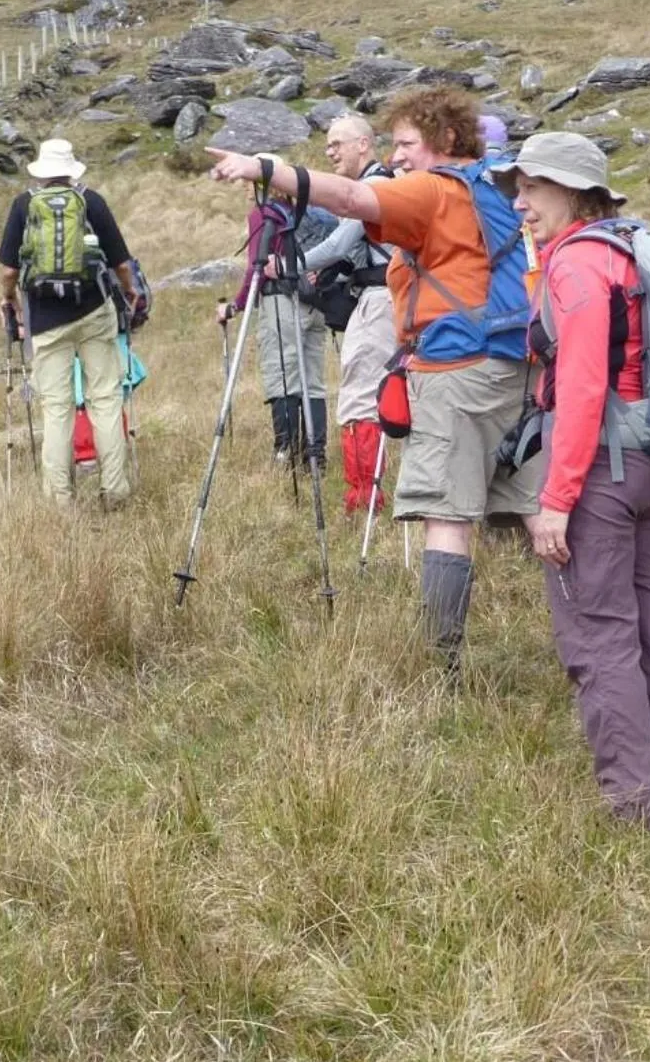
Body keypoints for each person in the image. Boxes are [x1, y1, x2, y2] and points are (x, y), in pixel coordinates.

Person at [206, 84, 539, 678]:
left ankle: (441, 667)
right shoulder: (497, 183)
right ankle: (591, 631)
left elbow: (354, 198)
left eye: (407, 142)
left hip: (457, 369)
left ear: (444, 139)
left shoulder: (435, 190)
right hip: (515, 362)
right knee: (538, 510)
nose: (400, 155)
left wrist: (268, 170)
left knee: (447, 517)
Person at [505, 132, 650, 825]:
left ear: (572, 192)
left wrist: (554, 500)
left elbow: (581, 384)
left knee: (600, 640)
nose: (521, 202)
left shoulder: (575, 267)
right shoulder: (631, 250)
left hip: (600, 472)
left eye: (533, 188)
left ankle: (635, 810)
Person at [0, 139, 141, 503]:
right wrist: (131, 291)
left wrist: (8, 300)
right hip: (94, 311)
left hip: (45, 320)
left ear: (41, 172)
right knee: (105, 399)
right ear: (71, 169)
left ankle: (60, 498)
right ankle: (116, 490)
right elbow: (120, 262)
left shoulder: (23, 205)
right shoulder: (91, 201)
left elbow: (9, 269)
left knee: (57, 408)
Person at [298, 113, 397, 511]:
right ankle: (365, 489)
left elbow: (340, 244)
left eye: (337, 143)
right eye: (327, 144)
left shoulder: (373, 186)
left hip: (379, 298)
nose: (330, 151)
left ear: (363, 144)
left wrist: (293, 264)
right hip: (380, 296)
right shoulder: (374, 184)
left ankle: (365, 494)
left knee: (360, 395)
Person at [218, 190, 331, 466]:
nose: (245, 189)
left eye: (249, 183)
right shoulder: (309, 213)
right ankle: (315, 455)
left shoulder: (264, 214)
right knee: (313, 381)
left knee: (281, 375)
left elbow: (256, 266)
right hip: (315, 303)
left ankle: (286, 453)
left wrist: (236, 305)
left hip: (281, 301)